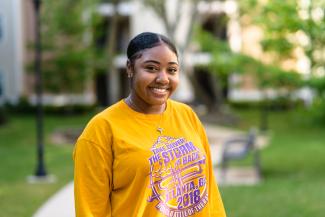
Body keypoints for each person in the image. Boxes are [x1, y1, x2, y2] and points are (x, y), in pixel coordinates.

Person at [73, 32, 226, 217]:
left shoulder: (187, 115)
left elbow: (210, 191)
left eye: (172, 70)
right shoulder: (101, 130)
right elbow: (91, 210)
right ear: (130, 68)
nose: (163, 79)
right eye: (151, 68)